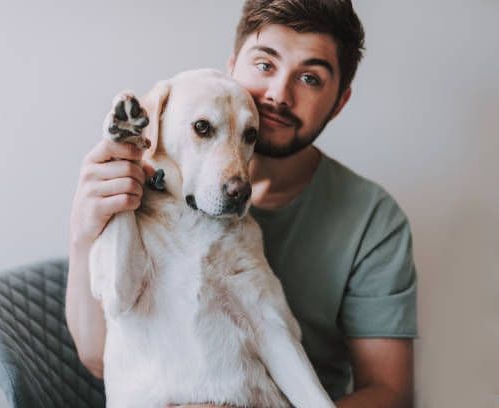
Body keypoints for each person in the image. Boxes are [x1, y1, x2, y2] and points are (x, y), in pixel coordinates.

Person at [65, 0, 417, 406]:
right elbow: (98, 356)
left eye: (309, 78)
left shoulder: (373, 219)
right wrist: (84, 230)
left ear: (339, 102)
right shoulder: (137, 185)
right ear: (232, 66)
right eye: (265, 65)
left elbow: (390, 393)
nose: (278, 95)